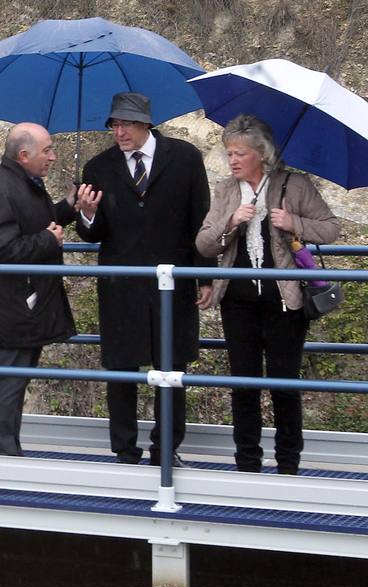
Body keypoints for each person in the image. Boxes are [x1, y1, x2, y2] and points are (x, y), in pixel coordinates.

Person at [196, 114, 340, 475]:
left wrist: (295, 224)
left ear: (261, 154)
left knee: (283, 385)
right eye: (229, 153)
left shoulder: (294, 185)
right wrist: (230, 223)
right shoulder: (226, 190)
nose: (232, 161)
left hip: (285, 302)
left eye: (240, 153)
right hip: (237, 302)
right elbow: (202, 242)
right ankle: (247, 462)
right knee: (243, 385)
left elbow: (331, 229)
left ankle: (288, 464)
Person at [75, 92, 210, 466]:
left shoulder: (185, 158)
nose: (120, 132)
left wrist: (205, 277)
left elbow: (200, 219)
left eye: (127, 124)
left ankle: (166, 447)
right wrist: (86, 214)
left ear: (146, 123)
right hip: (121, 284)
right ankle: (124, 448)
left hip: (173, 281)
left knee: (171, 366)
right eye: (115, 125)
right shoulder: (98, 167)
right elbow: (94, 232)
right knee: (120, 369)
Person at [0, 123, 77, 456]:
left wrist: (68, 207)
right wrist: (48, 240)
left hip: (24, 305)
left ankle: (8, 452)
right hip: (13, 307)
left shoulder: (23, 184)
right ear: (23, 155)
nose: (52, 156)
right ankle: (3, 457)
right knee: (8, 383)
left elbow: (35, 222)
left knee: (15, 381)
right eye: (47, 150)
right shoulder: (2, 189)